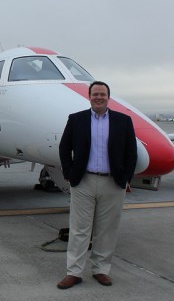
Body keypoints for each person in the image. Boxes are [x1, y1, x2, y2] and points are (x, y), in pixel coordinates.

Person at [56, 81, 137, 289]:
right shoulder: (76, 120)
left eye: (102, 94)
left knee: (106, 229)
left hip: (113, 182)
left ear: (108, 97)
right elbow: (64, 148)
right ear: (89, 96)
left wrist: (126, 177)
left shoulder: (123, 121)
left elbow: (131, 153)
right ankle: (74, 272)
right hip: (84, 181)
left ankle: (101, 270)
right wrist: (68, 172)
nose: (98, 97)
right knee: (79, 230)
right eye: (95, 94)